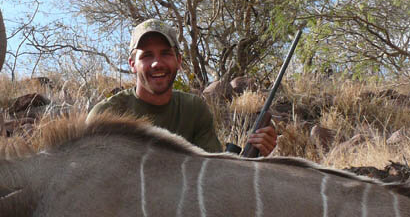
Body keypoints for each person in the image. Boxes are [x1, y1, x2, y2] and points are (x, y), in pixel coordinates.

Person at [88, 19, 278, 156]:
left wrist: (257, 153)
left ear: (178, 61)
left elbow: (211, 174)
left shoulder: (194, 109)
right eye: (146, 56)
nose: (157, 64)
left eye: (165, 53)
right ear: (132, 64)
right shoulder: (107, 114)